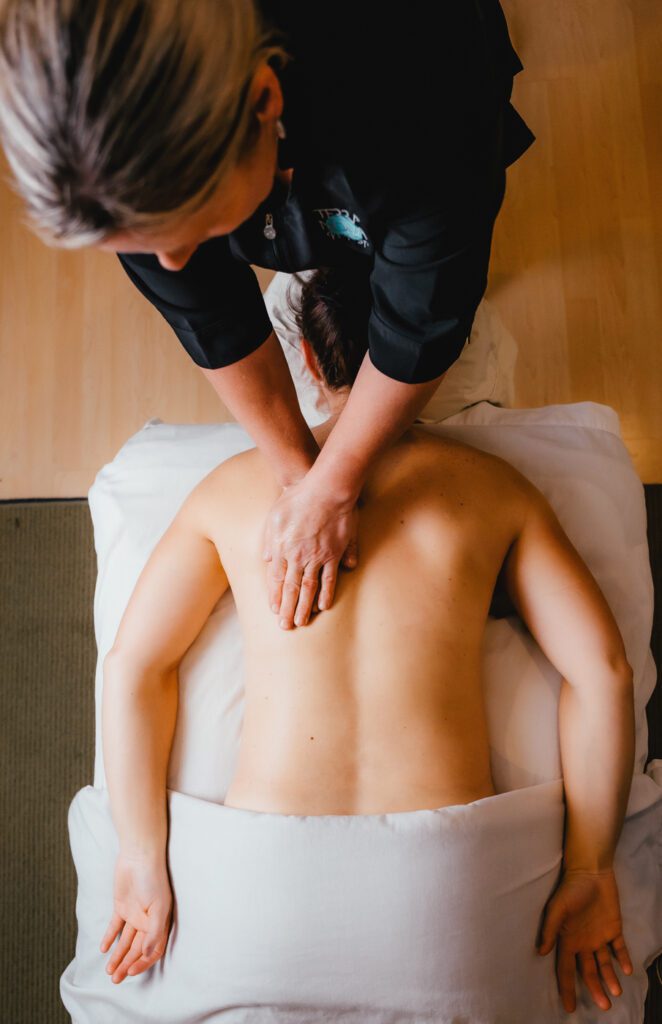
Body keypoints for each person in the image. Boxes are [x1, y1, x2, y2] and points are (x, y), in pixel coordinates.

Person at [99, 266, 635, 1016]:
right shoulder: (493, 488)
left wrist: (138, 854)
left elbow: (132, 667)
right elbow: (605, 672)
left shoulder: (228, 490)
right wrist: (591, 865)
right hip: (443, 885)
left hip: (261, 880)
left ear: (309, 362)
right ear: (431, 364)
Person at [0, 0, 537, 629]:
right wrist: (297, 476)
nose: (172, 264)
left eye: (192, 226)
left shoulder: (423, 92)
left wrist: (337, 485)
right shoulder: (107, 139)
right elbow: (211, 319)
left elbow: (423, 321)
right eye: (137, 245)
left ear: (263, 100)